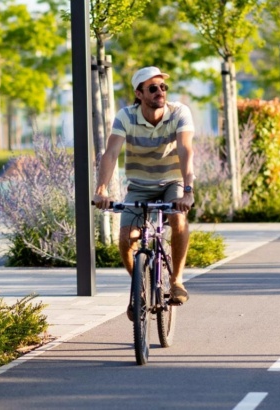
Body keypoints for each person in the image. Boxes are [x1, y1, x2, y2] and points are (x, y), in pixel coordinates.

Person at [93, 66, 195, 318]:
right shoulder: (126, 116)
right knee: (127, 238)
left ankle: (177, 281)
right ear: (139, 94)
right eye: (153, 88)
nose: (160, 92)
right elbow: (111, 153)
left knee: (178, 219)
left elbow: (185, 151)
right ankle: (138, 289)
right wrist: (101, 190)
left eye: (163, 87)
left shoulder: (179, 112)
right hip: (139, 186)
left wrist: (188, 191)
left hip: (172, 182)